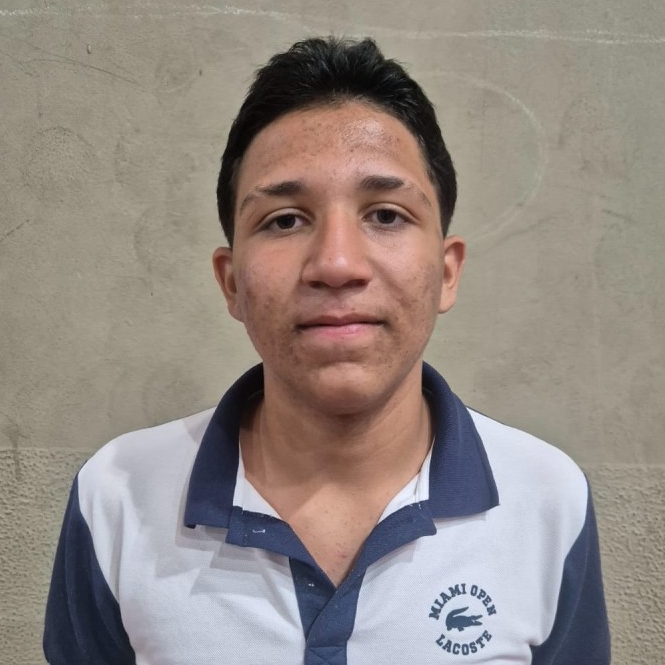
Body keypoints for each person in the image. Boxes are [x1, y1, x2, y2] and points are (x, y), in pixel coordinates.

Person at [43, 37, 611, 664]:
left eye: (386, 215)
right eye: (285, 220)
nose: (337, 265)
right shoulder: (116, 497)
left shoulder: (547, 498)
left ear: (447, 272)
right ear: (231, 283)